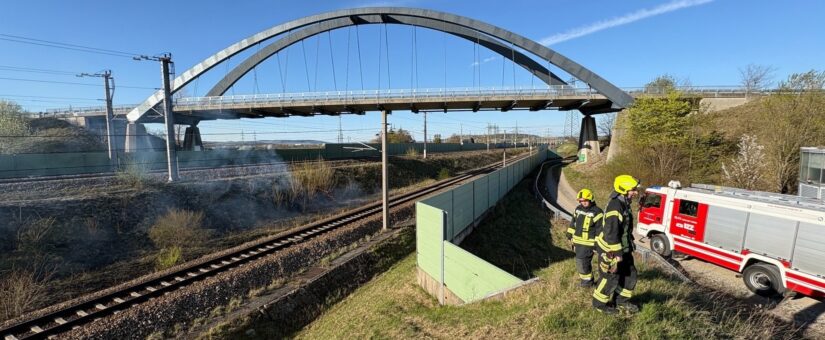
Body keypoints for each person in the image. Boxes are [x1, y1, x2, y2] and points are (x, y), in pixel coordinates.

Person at [592, 175, 641, 314]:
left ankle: (621, 301)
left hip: (622, 248)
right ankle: (599, 304)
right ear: (623, 190)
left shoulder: (623, 202)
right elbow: (611, 233)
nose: (635, 192)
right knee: (610, 277)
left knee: (630, 274)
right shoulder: (616, 206)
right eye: (633, 190)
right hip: (611, 250)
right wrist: (618, 254)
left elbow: (623, 229)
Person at [566, 188, 603, 287]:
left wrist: (596, 244)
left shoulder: (597, 212)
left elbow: (600, 230)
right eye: (581, 201)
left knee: (582, 262)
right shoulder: (578, 209)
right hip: (578, 242)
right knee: (581, 262)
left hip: (588, 244)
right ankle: (588, 281)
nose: (583, 203)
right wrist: (569, 234)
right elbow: (573, 222)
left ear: (590, 199)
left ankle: (587, 282)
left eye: (585, 201)